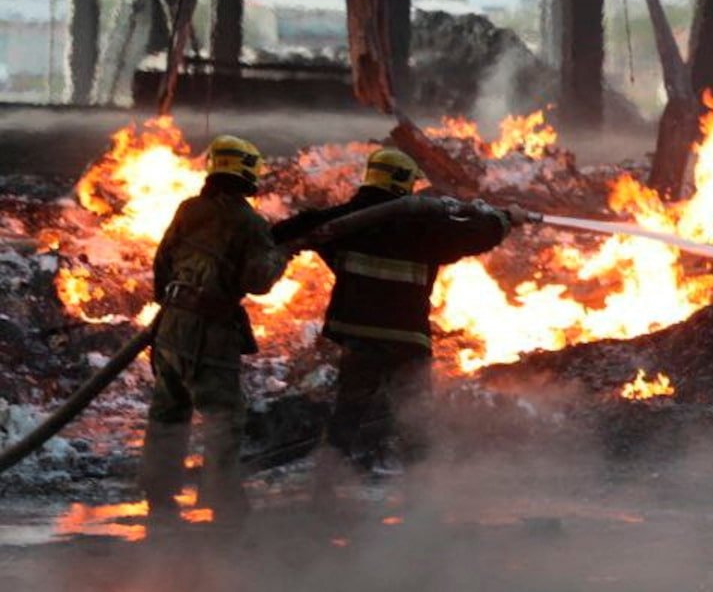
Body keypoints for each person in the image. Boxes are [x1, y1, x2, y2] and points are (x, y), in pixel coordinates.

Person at [273, 148, 527, 498]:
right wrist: (505, 218)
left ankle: (323, 493)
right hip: (407, 341)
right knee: (415, 421)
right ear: (404, 181)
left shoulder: (345, 222)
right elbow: (477, 236)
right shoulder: (424, 227)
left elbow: (297, 227)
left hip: (358, 337)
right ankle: (420, 500)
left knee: (347, 414)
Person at [139, 134, 289, 528]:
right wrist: (281, 257)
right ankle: (223, 501)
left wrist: (169, 307)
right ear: (245, 169)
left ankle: (159, 495)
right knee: (224, 414)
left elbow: (163, 260)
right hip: (211, 331)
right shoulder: (249, 221)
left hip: (171, 325)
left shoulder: (189, 209)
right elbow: (258, 282)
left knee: (169, 411)